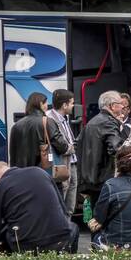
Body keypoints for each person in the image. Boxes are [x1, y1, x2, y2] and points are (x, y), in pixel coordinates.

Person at [0, 161, 78, 253]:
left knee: (4, 233)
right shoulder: (40, 172)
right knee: (74, 227)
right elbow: (63, 210)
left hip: (27, 245)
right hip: (61, 240)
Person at [79, 90, 127, 212]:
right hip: (104, 180)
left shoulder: (92, 122)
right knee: (106, 219)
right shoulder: (108, 122)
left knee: (96, 219)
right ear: (112, 106)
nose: (123, 107)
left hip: (90, 180)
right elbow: (117, 149)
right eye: (120, 103)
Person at [49, 89, 81, 221]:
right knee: (61, 197)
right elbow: (60, 145)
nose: (73, 106)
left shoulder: (64, 118)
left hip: (72, 163)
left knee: (70, 203)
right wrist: (75, 147)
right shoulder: (51, 119)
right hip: (61, 164)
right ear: (64, 105)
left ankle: (67, 227)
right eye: (72, 103)